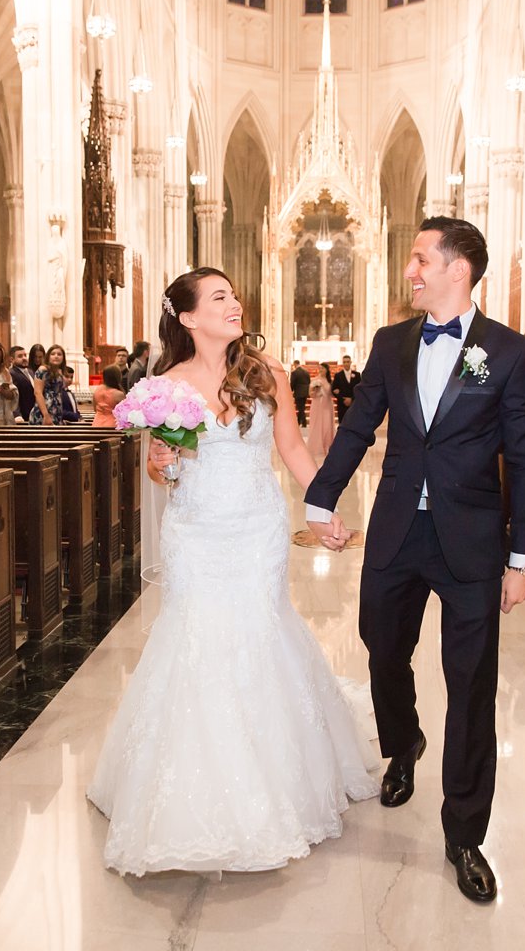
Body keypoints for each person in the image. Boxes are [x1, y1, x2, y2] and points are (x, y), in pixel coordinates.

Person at [87, 267, 378, 877]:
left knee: (257, 631)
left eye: (236, 295)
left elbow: (294, 449)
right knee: (195, 637)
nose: (236, 304)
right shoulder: (164, 386)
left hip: (255, 527)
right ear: (189, 317)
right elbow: (159, 474)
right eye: (220, 297)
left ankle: (274, 779)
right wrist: (162, 461)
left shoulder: (265, 375)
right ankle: (186, 792)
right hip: (194, 532)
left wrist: (322, 508)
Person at [305, 216, 525, 904]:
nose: (409, 270)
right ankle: (403, 740)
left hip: (472, 540)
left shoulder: (507, 353)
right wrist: (323, 499)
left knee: (469, 683)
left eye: (419, 258)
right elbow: (358, 427)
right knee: (381, 645)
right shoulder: (391, 343)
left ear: (458, 267)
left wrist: (523, 559)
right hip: (397, 530)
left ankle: (465, 832)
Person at [306, 362, 336, 457]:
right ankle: (318, 447)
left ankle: (328, 446)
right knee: (318, 425)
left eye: (323, 368)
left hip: (327, 405)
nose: (321, 370)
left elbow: (331, 394)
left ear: (327, 370)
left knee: (327, 425)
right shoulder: (315, 380)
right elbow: (311, 394)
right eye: (320, 368)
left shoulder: (329, 381)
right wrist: (315, 390)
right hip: (317, 405)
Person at [8, 344, 38, 423]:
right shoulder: (11, 373)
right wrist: (16, 414)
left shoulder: (30, 371)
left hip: (33, 415)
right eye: (20, 356)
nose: (24, 358)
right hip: (22, 417)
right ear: (12, 359)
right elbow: (13, 397)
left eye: (25, 355)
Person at [331, 354, 361, 422]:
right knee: (342, 424)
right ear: (342, 363)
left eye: (348, 362)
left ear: (351, 362)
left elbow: (359, 389)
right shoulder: (338, 375)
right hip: (342, 404)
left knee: (354, 423)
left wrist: (352, 399)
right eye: (344, 362)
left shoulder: (357, 375)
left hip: (354, 404)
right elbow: (334, 389)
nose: (346, 363)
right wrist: (342, 399)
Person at [289, 359, 311, 427]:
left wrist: (291, 391)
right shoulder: (306, 371)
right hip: (305, 392)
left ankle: (304, 423)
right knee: (301, 407)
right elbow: (309, 381)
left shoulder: (294, 372)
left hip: (298, 392)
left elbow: (292, 383)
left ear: (295, 364)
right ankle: (298, 422)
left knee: (300, 408)